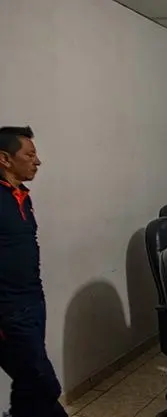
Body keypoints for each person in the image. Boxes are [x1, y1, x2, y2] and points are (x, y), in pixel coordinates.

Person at [0, 126, 68, 417]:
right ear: (5, 158)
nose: (37, 161)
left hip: (32, 301)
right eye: (29, 155)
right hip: (8, 310)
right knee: (43, 383)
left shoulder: (21, 196)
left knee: (28, 383)